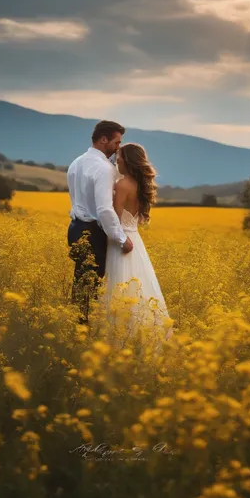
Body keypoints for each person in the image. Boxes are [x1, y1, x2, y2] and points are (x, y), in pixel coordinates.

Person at [100, 142, 174, 350]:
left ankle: (119, 343)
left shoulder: (122, 185)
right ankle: (142, 340)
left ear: (128, 160)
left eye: (120, 157)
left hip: (121, 241)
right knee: (139, 288)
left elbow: (112, 217)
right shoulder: (141, 186)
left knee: (119, 287)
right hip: (135, 240)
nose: (117, 160)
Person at [67, 120, 134, 324]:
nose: (118, 148)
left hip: (75, 229)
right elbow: (104, 209)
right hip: (92, 231)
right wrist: (121, 238)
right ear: (104, 139)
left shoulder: (77, 162)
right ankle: (81, 330)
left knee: (81, 282)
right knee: (90, 286)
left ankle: (75, 327)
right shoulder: (103, 168)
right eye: (116, 142)